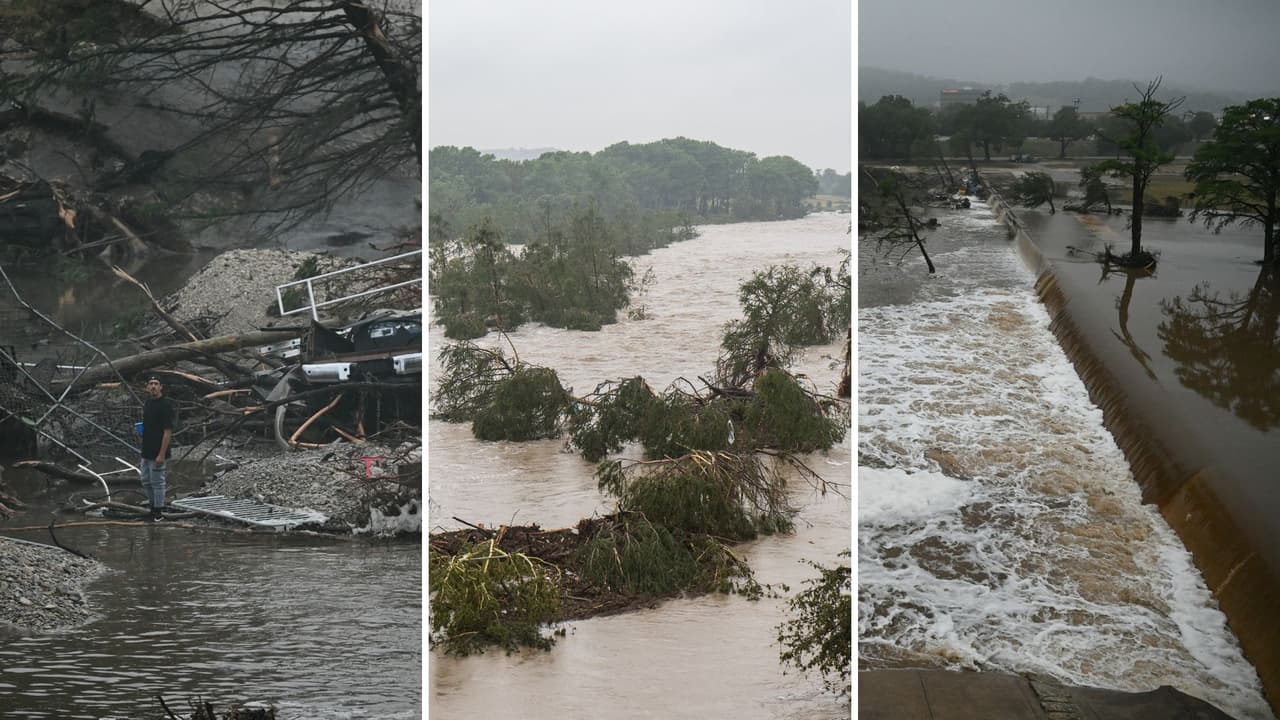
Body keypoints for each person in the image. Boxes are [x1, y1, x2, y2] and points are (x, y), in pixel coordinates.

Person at [139, 376, 174, 521]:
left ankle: (158, 511)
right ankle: (152, 507)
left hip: (158, 451)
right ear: (147, 388)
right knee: (145, 480)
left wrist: (161, 454)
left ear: (161, 387)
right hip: (146, 450)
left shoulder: (165, 405)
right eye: (150, 384)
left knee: (158, 482)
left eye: (156, 384)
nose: (153, 386)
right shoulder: (147, 403)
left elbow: (167, 431)